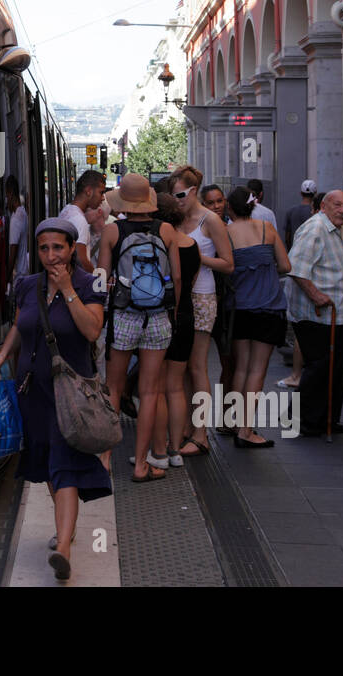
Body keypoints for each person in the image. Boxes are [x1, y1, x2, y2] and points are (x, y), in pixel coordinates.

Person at [0, 217, 109, 581]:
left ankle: (64, 549)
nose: (51, 254)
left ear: (72, 248)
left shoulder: (89, 285)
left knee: (64, 465)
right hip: (32, 392)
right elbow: (21, 325)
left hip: (70, 395)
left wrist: (68, 289)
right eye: (44, 248)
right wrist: (4, 354)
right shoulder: (27, 285)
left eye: (58, 247)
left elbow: (91, 329)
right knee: (51, 467)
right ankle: (65, 529)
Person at [99, 174, 181, 481]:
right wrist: (173, 311)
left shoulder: (111, 232)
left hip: (123, 316)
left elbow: (102, 278)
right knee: (149, 392)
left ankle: (105, 458)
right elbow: (176, 278)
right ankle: (141, 464)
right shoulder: (167, 230)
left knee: (114, 389)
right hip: (158, 317)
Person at [169, 166, 234, 455]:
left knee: (197, 367)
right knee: (179, 369)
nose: (177, 200)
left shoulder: (211, 221)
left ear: (194, 192)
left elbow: (228, 264)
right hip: (178, 297)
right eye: (174, 196)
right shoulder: (176, 218)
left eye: (180, 194)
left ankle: (201, 433)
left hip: (202, 297)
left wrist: (197, 257)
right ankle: (185, 427)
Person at [226, 186, 292, 447]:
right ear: (253, 205)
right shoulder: (267, 229)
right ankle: (246, 429)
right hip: (268, 306)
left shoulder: (227, 234)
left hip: (239, 307)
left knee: (240, 367)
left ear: (230, 208)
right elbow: (286, 266)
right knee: (257, 370)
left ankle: (234, 423)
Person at [287, 190, 343, 437]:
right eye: (337, 205)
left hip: (338, 314)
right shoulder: (315, 228)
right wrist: (315, 294)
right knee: (319, 367)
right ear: (324, 206)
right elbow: (295, 268)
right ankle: (301, 420)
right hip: (316, 314)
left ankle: (326, 418)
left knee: (334, 368)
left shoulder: (339, 230)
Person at [147, 191, 197, 466]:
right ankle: (176, 450)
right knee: (176, 388)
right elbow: (190, 280)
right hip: (187, 315)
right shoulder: (191, 244)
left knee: (155, 388)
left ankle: (159, 451)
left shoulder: (158, 243)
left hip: (163, 315)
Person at [200, 183, 237, 404]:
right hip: (203, 299)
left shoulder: (230, 227)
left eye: (219, 201)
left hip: (226, 303)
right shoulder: (201, 228)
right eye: (211, 202)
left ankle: (226, 418)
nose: (216, 206)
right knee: (196, 365)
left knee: (230, 362)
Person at [59, 170, 105, 273]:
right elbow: (80, 260)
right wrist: (96, 281)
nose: (103, 198)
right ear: (88, 191)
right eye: (101, 192)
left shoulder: (67, 210)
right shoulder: (79, 220)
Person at [5, 175, 29, 291]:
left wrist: (6, 278)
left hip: (19, 277)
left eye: (6, 195)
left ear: (10, 193)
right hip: (25, 272)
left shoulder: (15, 220)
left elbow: (13, 252)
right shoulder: (23, 212)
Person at [284, 180, 317, 248]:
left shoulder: (291, 211)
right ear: (315, 194)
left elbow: (287, 237)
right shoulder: (316, 213)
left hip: (294, 250)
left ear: (301, 193)